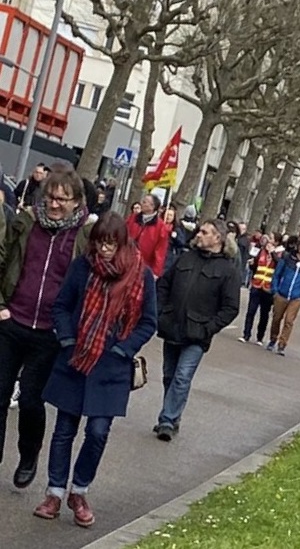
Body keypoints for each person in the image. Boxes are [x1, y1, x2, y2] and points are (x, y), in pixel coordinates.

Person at [32, 213, 157, 527]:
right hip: (76, 359)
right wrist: (67, 339)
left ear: (122, 243)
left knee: (98, 432)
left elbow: (148, 322)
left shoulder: (140, 275)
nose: (104, 250)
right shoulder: (82, 267)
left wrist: (123, 349)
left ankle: (80, 490)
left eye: (110, 243)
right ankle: (55, 492)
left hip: (111, 365)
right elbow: (61, 306)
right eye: (100, 243)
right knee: (63, 431)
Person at [0, 164, 90, 490]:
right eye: (50, 197)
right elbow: (2, 259)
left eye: (63, 200)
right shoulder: (25, 223)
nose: (54, 204)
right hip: (12, 320)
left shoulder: (83, 237)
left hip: (49, 333)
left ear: (77, 201)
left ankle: (28, 454)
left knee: (30, 403)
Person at [153, 219, 241, 441]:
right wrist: (161, 311)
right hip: (172, 326)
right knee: (169, 376)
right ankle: (172, 416)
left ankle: (167, 419)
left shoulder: (227, 270)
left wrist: (208, 328)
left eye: (204, 232)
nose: (198, 234)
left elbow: (230, 307)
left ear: (217, 238)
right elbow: (163, 284)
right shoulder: (185, 257)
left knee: (182, 377)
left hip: (197, 335)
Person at [267, 238, 300, 355]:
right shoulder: (287, 258)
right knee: (277, 318)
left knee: (289, 321)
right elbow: (277, 274)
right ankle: (273, 338)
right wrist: (275, 290)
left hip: (296, 297)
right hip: (282, 294)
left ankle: (282, 344)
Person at [239, 235, 275, 345]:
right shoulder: (260, 252)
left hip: (268, 288)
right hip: (257, 285)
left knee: (264, 314)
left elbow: (278, 264)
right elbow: (255, 266)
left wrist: (272, 253)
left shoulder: (279, 254)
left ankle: (260, 337)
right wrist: (252, 264)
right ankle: (246, 334)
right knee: (251, 311)